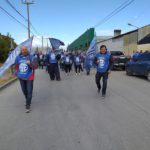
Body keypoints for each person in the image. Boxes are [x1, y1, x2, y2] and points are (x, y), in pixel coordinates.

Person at [15, 46, 37, 113]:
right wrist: (16, 73)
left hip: (29, 77)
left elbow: (35, 67)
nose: (24, 51)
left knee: (29, 92)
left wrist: (30, 63)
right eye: (22, 50)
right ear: (21, 51)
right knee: (24, 91)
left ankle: (28, 105)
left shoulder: (31, 57)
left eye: (25, 49)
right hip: (21, 77)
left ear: (27, 50)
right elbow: (16, 66)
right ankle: (27, 99)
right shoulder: (18, 58)